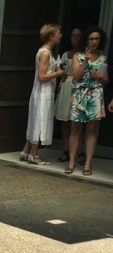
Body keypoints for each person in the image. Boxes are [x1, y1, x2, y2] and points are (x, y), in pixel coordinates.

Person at [19, 23, 65, 165]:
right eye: (59, 33)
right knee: (39, 120)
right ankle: (34, 154)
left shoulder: (48, 51)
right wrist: (58, 73)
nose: (61, 35)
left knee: (35, 120)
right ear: (51, 36)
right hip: (42, 93)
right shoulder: (45, 53)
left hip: (44, 92)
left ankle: (26, 151)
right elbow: (42, 76)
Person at [66, 26, 108, 176]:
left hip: (95, 95)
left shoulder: (103, 58)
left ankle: (88, 164)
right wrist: (85, 61)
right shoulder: (78, 56)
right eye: (91, 38)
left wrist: (99, 77)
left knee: (92, 130)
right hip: (79, 94)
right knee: (75, 129)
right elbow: (76, 76)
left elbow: (105, 81)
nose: (94, 42)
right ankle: (71, 161)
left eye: (97, 39)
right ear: (87, 40)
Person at [54, 28, 83, 163]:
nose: (75, 38)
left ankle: (79, 151)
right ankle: (66, 149)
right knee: (64, 121)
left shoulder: (84, 55)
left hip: (78, 87)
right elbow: (62, 72)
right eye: (73, 35)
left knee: (76, 121)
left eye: (78, 36)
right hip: (65, 86)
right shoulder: (65, 54)